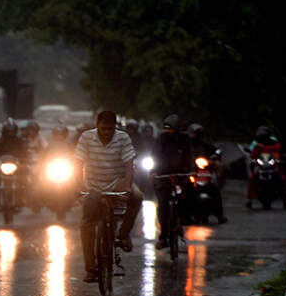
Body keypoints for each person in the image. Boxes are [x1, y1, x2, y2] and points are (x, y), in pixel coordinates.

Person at [74, 109, 143, 283]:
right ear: (97, 125)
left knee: (137, 197)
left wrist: (127, 185)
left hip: (117, 181)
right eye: (104, 128)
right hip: (93, 186)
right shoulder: (86, 137)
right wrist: (77, 185)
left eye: (111, 129)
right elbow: (78, 163)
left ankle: (124, 234)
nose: (107, 132)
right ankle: (91, 269)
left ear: (115, 128)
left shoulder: (123, 138)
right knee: (87, 224)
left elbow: (129, 165)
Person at [151, 114, 195, 246]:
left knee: (188, 194)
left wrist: (191, 171)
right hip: (163, 174)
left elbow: (189, 155)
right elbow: (156, 155)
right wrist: (154, 170)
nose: (168, 132)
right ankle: (163, 236)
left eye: (171, 129)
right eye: (167, 129)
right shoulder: (161, 139)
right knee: (163, 204)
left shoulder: (185, 139)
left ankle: (183, 220)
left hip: (181, 175)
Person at [187, 123, 228, 223]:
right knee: (185, 191)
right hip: (190, 173)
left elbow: (216, 154)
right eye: (193, 133)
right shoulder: (186, 146)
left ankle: (220, 215)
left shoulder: (206, 146)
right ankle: (185, 215)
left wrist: (214, 160)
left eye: (197, 133)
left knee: (215, 191)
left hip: (205, 174)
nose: (195, 136)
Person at [0, 118, 29, 209]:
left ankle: (21, 198)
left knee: (24, 179)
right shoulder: (0, 141)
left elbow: (25, 151)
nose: (10, 133)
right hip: (2, 166)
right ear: (4, 131)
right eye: (8, 131)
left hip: (16, 166)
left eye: (12, 131)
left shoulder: (19, 142)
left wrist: (26, 159)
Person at [246, 125, 286, 209]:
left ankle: (285, 200)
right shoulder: (256, 144)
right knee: (252, 178)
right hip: (260, 164)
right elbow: (252, 154)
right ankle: (249, 200)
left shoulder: (274, 142)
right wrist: (254, 154)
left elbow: (278, 149)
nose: (263, 138)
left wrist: (265, 148)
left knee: (282, 178)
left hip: (271, 164)